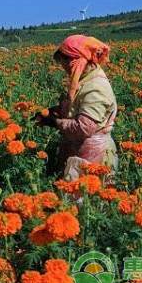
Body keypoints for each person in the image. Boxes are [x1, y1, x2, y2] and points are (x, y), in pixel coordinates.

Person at [35, 35, 117, 182]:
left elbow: (84, 127)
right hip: (77, 149)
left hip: (93, 155)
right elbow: (77, 107)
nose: (64, 69)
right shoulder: (85, 78)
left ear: (75, 60)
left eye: (64, 63)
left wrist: (56, 122)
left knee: (85, 199)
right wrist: (52, 112)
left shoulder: (96, 88)